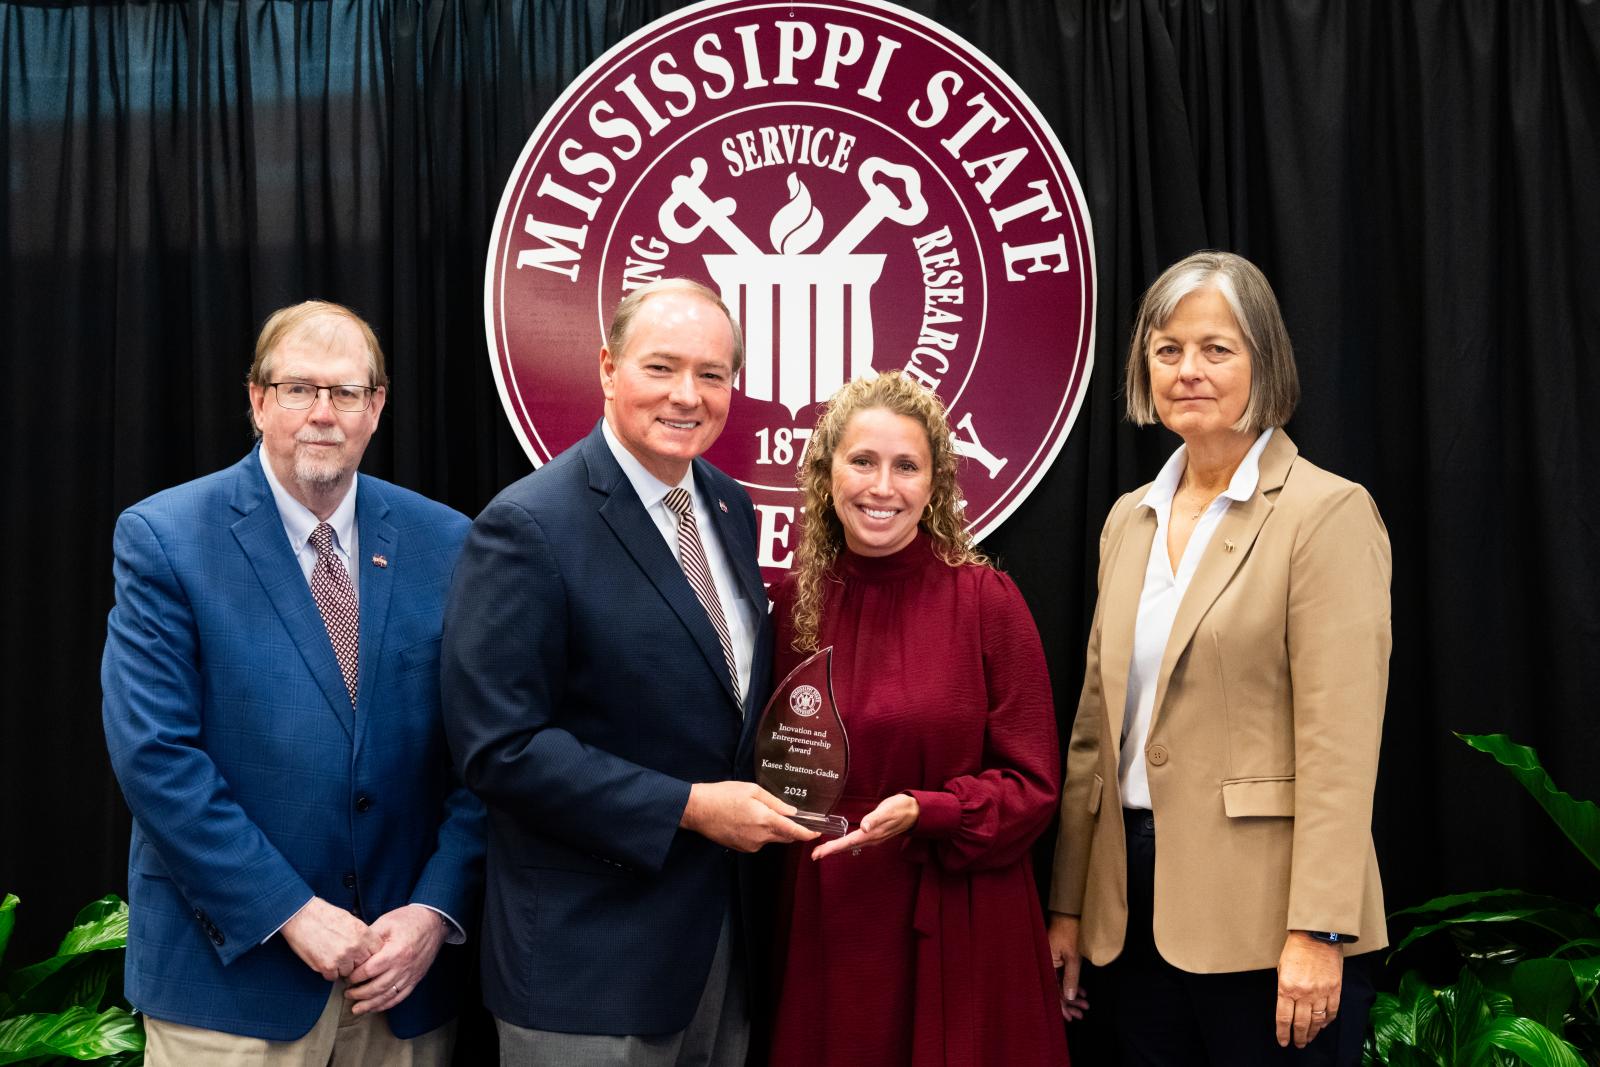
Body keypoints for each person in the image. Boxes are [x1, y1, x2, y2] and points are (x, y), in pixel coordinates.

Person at [442, 278, 816, 1066]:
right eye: (662, 367)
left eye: (711, 374)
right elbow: (500, 748)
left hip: (719, 950)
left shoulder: (728, 505)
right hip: (588, 966)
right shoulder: (528, 525)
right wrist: (690, 807)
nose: (687, 395)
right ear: (609, 369)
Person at [101, 300, 486, 1065]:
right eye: (298, 388)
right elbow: (156, 757)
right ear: (257, 399)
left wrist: (434, 910)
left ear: (377, 406)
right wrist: (290, 911)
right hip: (232, 984)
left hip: (399, 983)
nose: (322, 413)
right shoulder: (166, 538)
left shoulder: (447, 542)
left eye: (345, 391)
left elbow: (485, 751)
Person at [1048, 250, 1392, 1065]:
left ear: (1264, 361)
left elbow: (1340, 747)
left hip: (1269, 925)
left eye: (1216, 349)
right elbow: (1095, 735)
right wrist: (1068, 905)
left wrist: (1320, 927)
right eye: (1167, 349)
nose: (1188, 370)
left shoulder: (1326, 512)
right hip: (1131, 915)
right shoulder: (1127, 520)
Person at [764, 370, 1070, 1067]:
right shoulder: (792, 606)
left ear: (934, 485)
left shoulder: (986, 599)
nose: (883, 486)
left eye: (906, 466)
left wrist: (930, 811)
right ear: (826, 476)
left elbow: (1035, 785)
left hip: (956, 915)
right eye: (862, 461)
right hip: (826, 919)